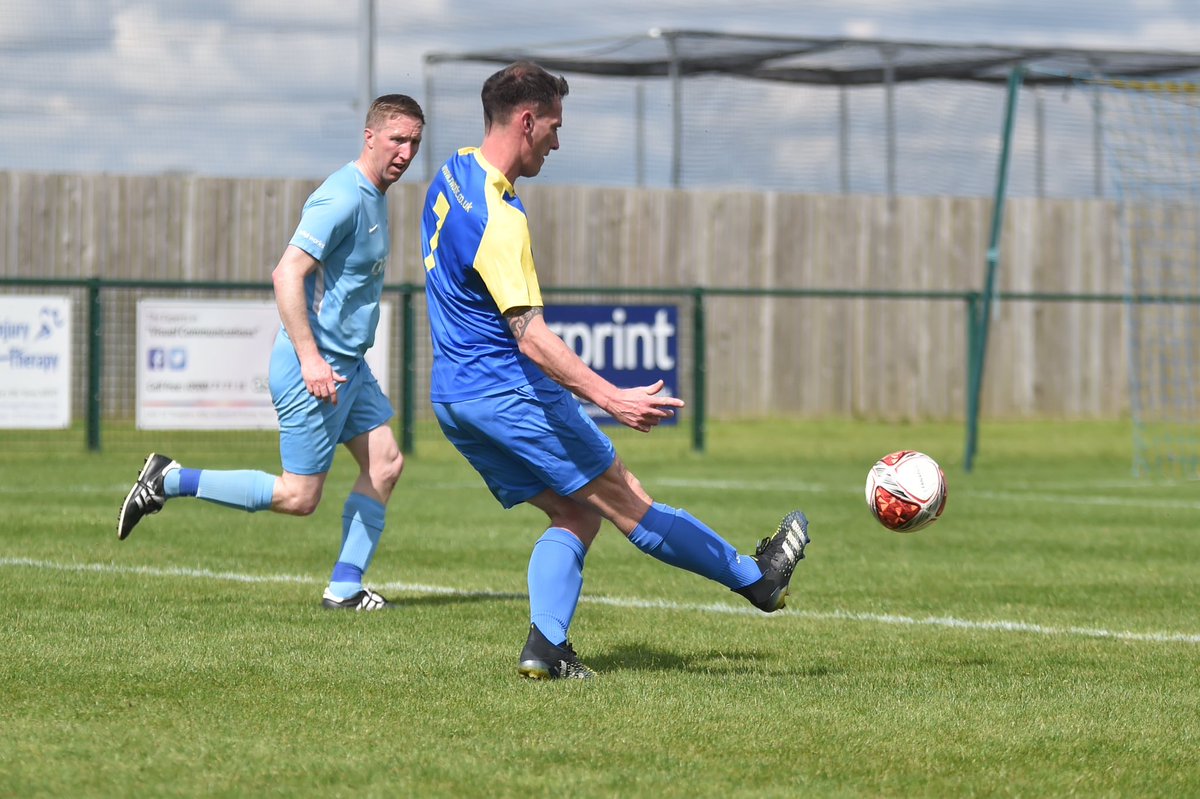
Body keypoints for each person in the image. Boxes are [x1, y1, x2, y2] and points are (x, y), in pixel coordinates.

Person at [420, 62, 810, 680]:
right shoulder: (500, 219)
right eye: (553, 124)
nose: (557, 139)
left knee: (576, 513)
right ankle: (755, 579)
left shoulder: (453, 171)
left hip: (454, 398)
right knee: (629, 501)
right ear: (526, 120)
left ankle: (546, 649)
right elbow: (533, 340)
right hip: (506, 392)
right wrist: (613, 399)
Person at [117, 94, 425, 612]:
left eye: (415, 142)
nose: (406, 151)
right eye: (397, 139)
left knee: (387, 462)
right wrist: (310, 359)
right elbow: (287, 274)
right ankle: (168, 480)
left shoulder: (374, 193)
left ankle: (345, 588)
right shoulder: (342, 197)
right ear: (370, 136)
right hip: (317, 370)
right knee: (299, 498)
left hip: (348, 367)